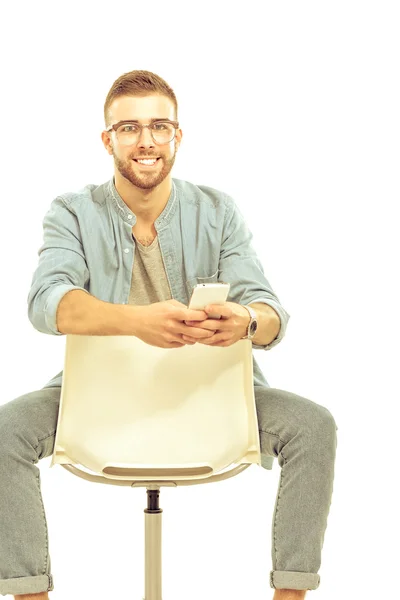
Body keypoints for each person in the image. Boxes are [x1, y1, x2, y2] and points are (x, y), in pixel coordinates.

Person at [0, 70, 338, 600]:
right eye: (129, 128)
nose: (147, 141)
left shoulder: (217, 210)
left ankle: (289, 596)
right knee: (5, 431)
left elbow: (270, 311)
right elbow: (48, 304)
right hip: (99, 398)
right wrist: (140, 321)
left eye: (160, 126)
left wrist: (246, 322)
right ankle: (31, 595)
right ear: (107, 139)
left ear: (178, 136)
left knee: (314, 426)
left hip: (212, 395)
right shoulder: (72, 211)